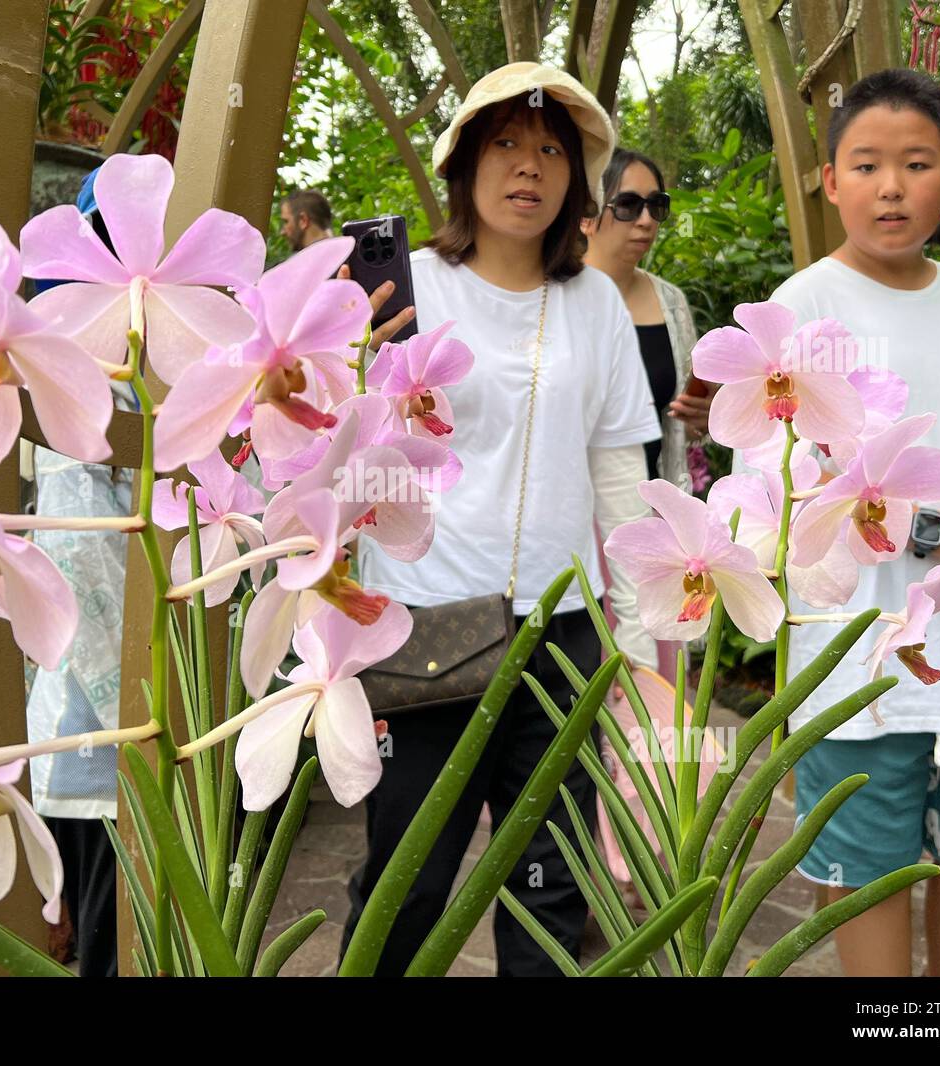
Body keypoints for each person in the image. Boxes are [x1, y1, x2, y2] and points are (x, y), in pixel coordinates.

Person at [340, 62, 661, 977]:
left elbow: (617, 474)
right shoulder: (405, 289)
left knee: (554, 883)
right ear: (465, 168)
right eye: (508, 145)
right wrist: (345, 360)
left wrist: (633, 637)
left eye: (552, 150)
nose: (530, 167)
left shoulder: (595, 300)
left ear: (576, 180)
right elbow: (336, 444)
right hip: (423, 626)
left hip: (561, 635)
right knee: (408, 877)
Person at [762, 68, 940, 977]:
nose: (891, 186)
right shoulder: (803, 312)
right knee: (865, 881)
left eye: (916, 164)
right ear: (829, 180)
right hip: (856, 673)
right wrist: (934, 533)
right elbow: (781, 492)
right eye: (867, 164)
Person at [24, 167, 135, 977]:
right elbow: (79, 559)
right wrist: (140, 711)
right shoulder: (74, 391)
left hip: (130, 728)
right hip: (99, 738)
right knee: (109, 936)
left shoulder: (133, 391)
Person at [581, 148, 709, 488]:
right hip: (576, 514)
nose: (646, 219)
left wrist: (705, 417)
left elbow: (686, 427)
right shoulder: (555, 299)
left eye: (656, 205)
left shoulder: (670, 301)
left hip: (653, 509)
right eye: (627, 205)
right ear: (586, 217)